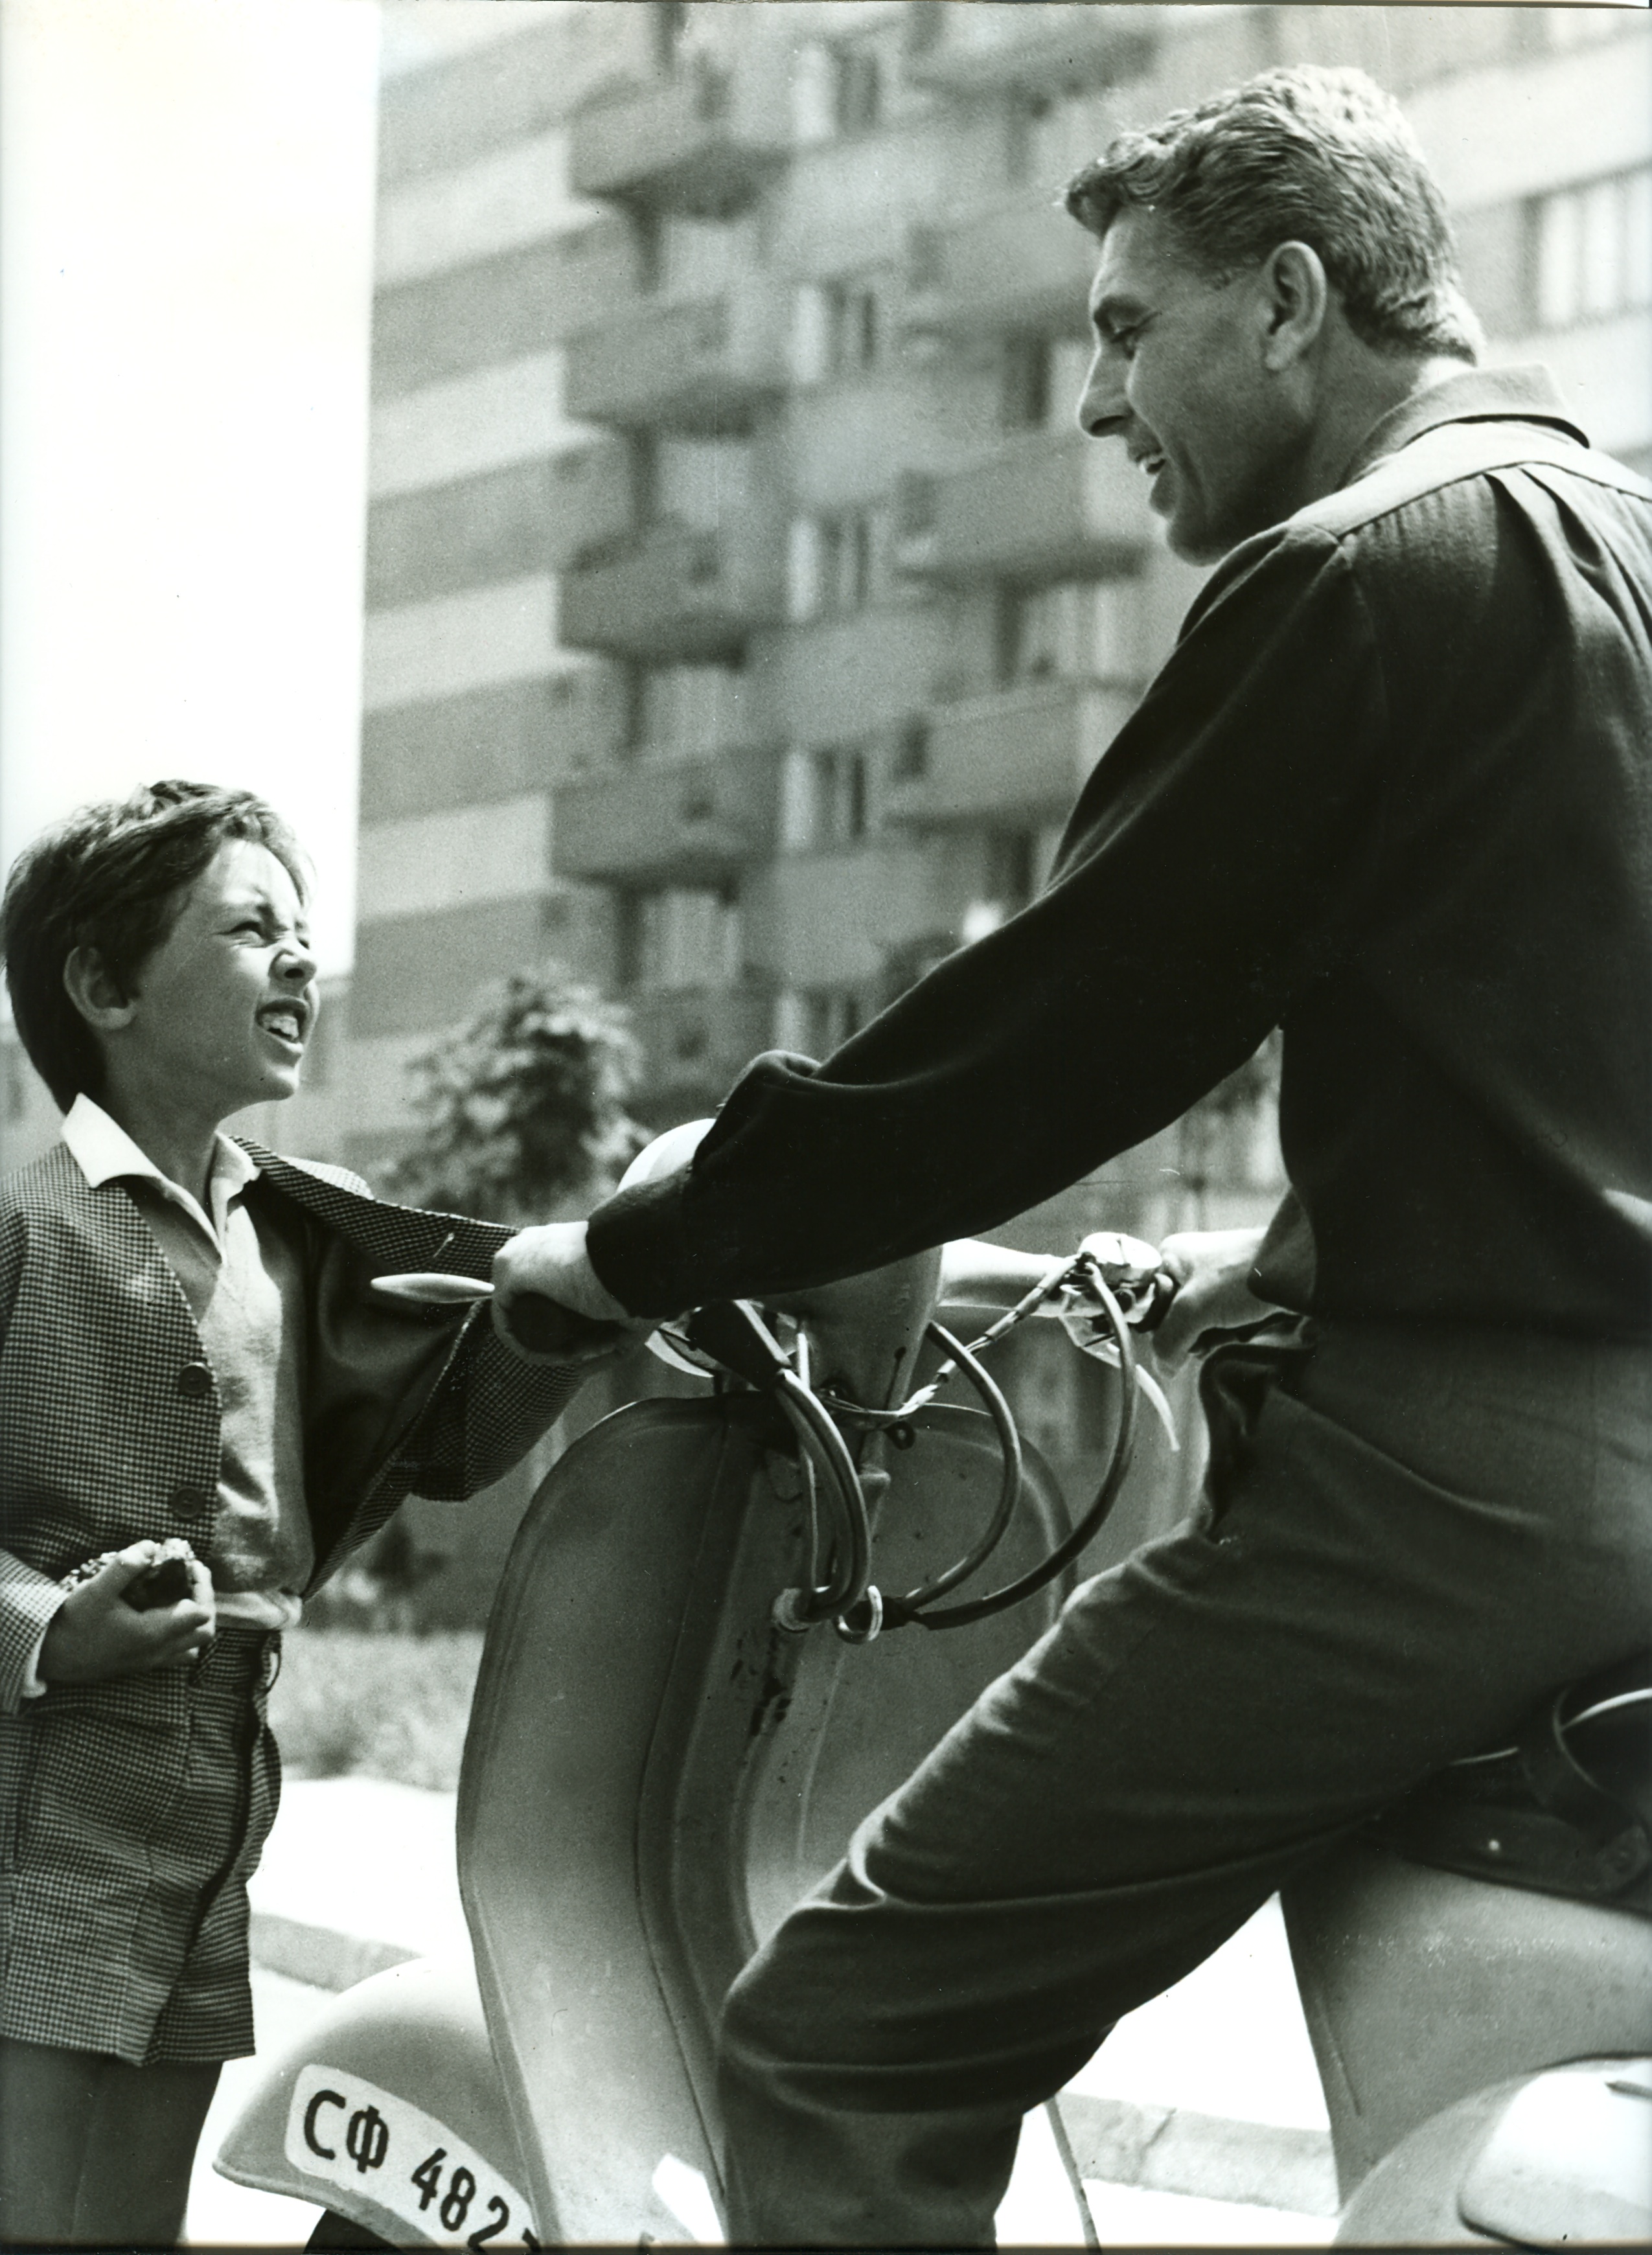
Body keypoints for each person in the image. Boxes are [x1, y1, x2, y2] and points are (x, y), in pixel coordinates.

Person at [494, 65, 1652, 2247]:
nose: (1103, 394)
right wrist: (1304, 1245)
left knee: (840, 2032)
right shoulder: (1622, 552)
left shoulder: (1359, 574)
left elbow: (1037, 1045)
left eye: (1131, 330)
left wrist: (633, 1250)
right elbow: (1556, 1024)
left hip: (1444, 1510)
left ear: (1293, 301)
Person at [0, 782, 588, 2247]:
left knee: (130, 2212)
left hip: (219, 1794)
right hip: (44, 1792)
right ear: (105, 984)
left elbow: (446, 1435)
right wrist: (40, 1627)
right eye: (249, 927)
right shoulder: (30, 1227)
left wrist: (564, 1316)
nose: (297, 961)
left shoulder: (304, 1233)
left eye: (303, 931)